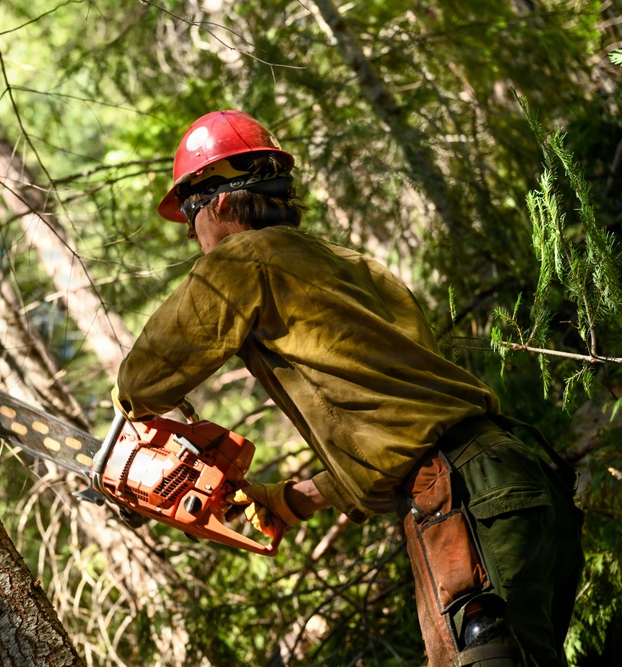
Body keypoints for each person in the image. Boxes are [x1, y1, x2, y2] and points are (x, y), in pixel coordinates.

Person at [111, 110, 584, 666]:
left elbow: (142, 380)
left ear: (216, 203)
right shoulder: (356, 267)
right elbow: (401, 429)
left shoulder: (239, 261)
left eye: (190, 214)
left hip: (459, 497)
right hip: (515, 476)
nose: (192, 234)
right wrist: (286, 501)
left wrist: (138, 450)